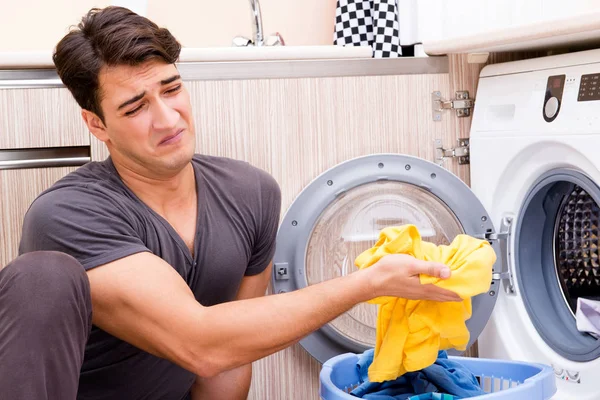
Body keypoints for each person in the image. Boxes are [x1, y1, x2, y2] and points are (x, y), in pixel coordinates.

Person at [0, 6, 461, 400]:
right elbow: (200, 344)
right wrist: (367, 283)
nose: (167, 119)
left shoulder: (249, 192)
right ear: (96, 124)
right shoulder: (69, 214)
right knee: (42, 274)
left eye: (172, 88)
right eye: (135, 107)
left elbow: (228, 359)